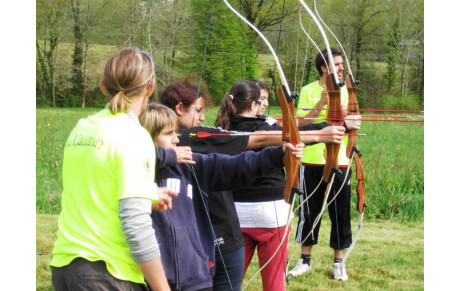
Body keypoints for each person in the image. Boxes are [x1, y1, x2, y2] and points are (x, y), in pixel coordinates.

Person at [159, 80, 345, 290]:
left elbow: (279, 131)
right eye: (198, 110)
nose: (202, 117)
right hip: (221, 232)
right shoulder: (193, 136)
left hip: (223, 227)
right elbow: (258, 139)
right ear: (179, 109)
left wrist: (316, 132)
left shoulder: (212, 130)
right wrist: (320, 135)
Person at [139, 102, 304, 290]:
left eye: (176, 133)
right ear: (146, 139)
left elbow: (235, 166)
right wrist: (161, 156)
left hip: (195, 277)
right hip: (151, 279)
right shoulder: (131, 173)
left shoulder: (191, 163)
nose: (177, 140)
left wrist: (278, 154)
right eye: (168, 134)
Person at [50, 48, 176, 291]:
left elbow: (95, 186)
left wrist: (146, 194)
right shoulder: (134, 136)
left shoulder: (82, 128)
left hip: (65, 269)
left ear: (102, 85)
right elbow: (135, 225)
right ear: (150, 87)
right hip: (107, 273)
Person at [288, 48, 361, 281]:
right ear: (323, 67)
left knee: (340, 212)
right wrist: (321, 102)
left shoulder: (346, 91)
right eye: (336, 64)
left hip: (339, 160)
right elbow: (300, 123)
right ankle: (304, 260)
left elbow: (353, 120)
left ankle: (339, 261)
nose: (341, 68)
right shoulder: (309, 90)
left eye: (341, 64)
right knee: (309, 211)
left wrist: (338, 103)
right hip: (311, 161)